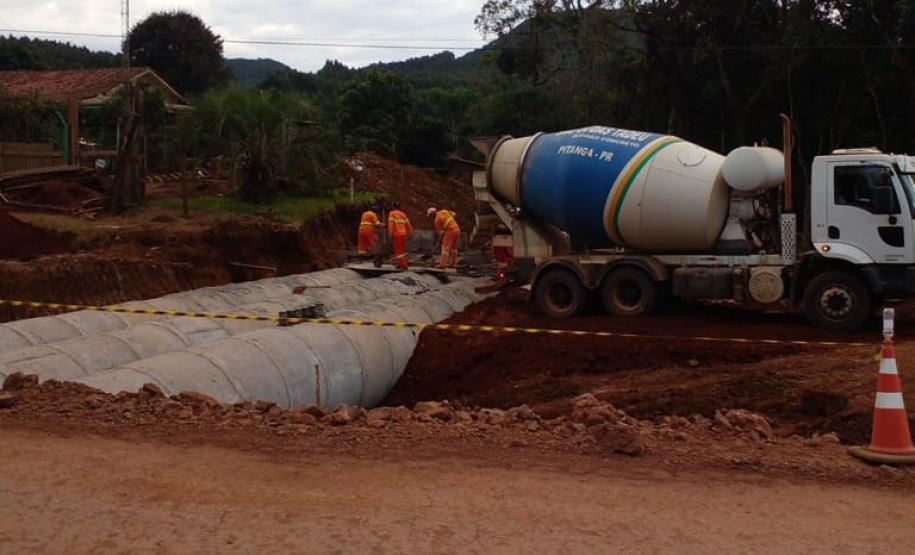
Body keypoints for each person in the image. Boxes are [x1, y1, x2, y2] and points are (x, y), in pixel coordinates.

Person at [387, 201, 413, 270]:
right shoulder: (403, 214)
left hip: (397, 234)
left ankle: (404, 265)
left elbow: (391, 224)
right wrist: (410, 233)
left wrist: (390, 233)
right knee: (401, 250)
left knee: (398, 251)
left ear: (393, 206)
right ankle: (399, 264)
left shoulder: (392, 213)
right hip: (403, 234)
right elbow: (408, 224)